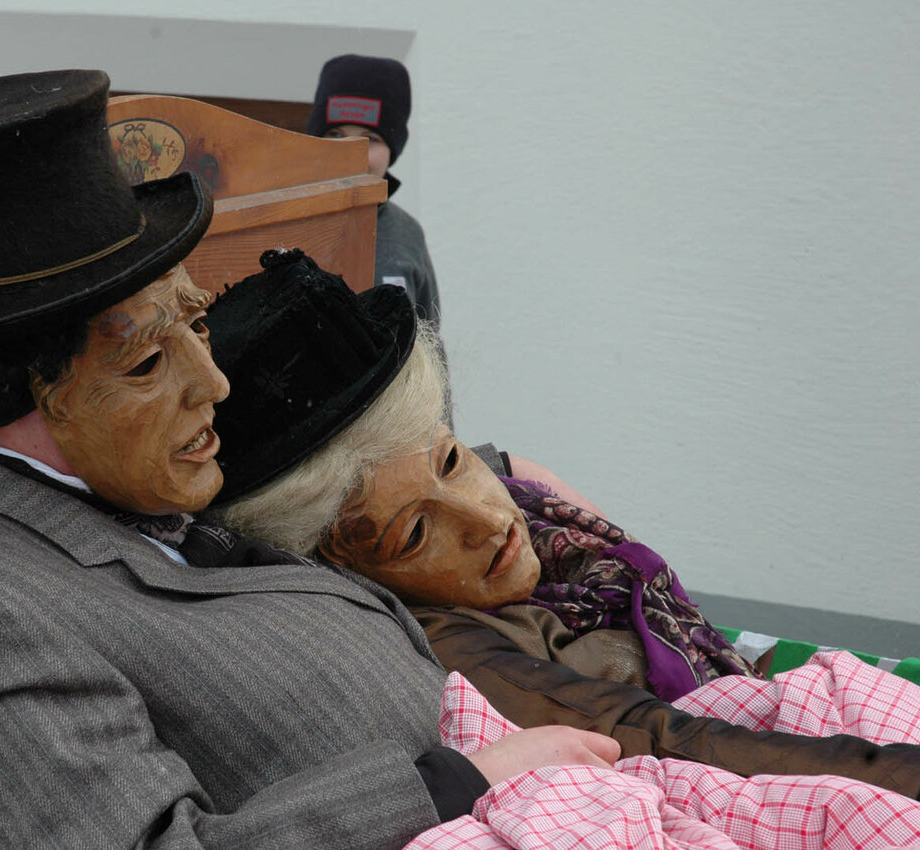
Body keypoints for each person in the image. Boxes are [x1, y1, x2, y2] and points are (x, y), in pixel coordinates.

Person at [0, 69, 618, 850]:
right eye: (147, 363)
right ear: (27, 398)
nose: (212, 384)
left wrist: (497, 468)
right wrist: (453, 785)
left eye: (197, 325)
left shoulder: (139, 479)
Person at [205, 250, 920, 797]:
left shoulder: (531, 501)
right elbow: (658, 736)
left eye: (451, 461)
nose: (487, 519)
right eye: (415, 534)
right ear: (341, 569)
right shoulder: (451, 647)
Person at [307, 54, 441, 329]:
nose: (352, 152)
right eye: (336, 134)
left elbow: (429, 339)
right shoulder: (276, 222)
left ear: (392, 151)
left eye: (370, 138)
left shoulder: (407, 234)